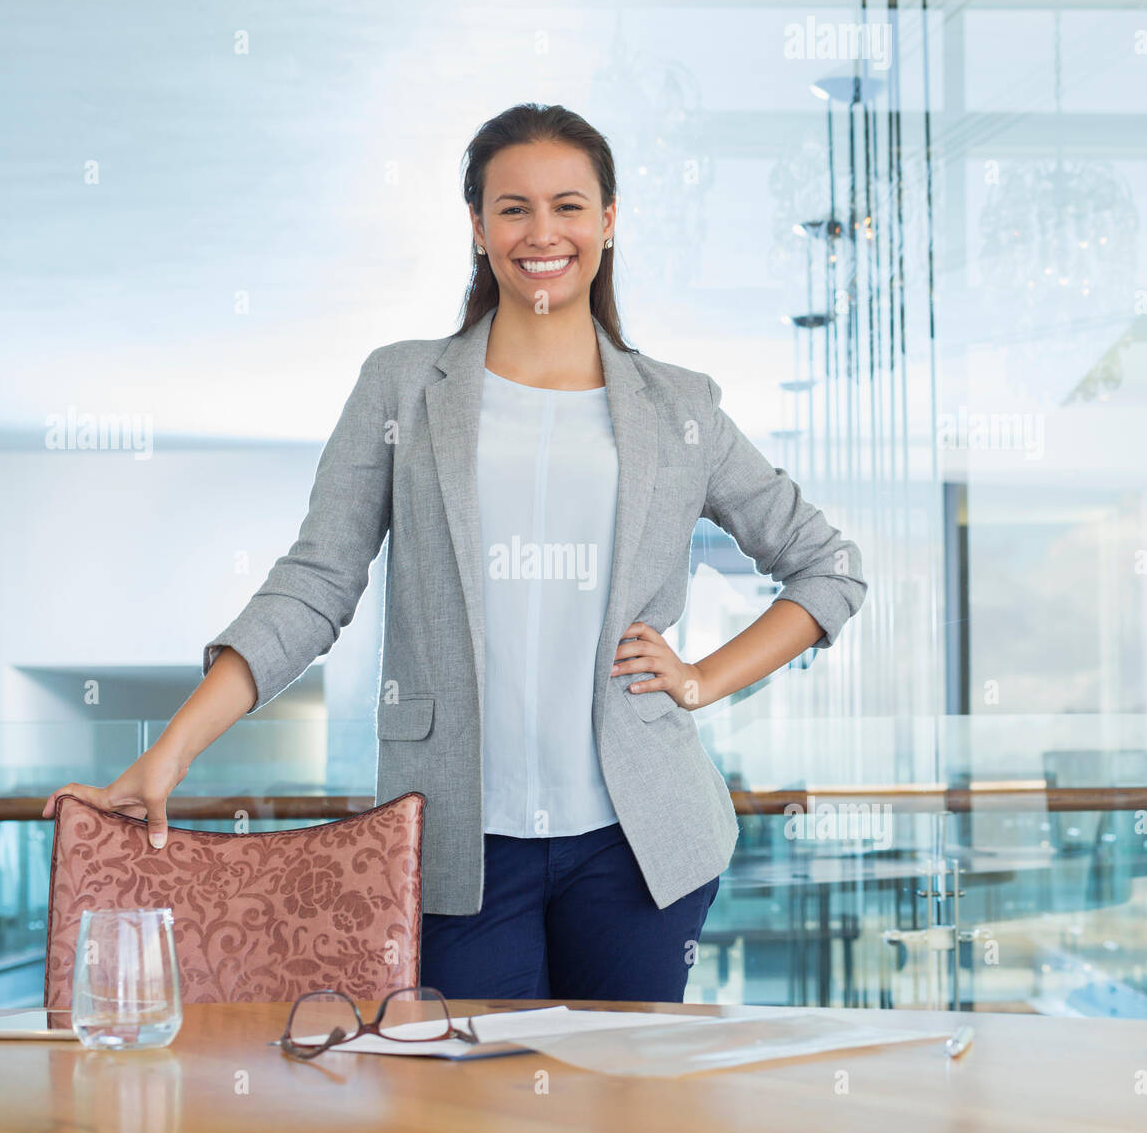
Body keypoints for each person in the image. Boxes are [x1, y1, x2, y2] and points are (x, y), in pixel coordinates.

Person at [44, 103, 867, 1002]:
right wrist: (174, 749)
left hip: (642, 847)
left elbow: (827, 565)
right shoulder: (403, 384)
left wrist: (704, 678)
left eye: (568, 206)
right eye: (512, 208)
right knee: (476, 1119)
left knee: (633, 1113)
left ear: (608, 221)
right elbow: (316, 584)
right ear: (477, 227)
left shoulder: (680, 406)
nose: (542, 232)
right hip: (457, 846)